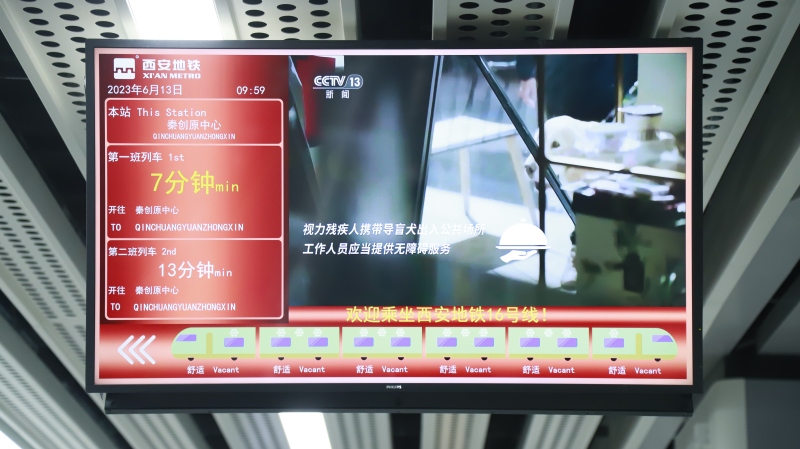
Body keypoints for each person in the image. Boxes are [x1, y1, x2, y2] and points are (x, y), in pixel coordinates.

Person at [514, 54, 638, 290]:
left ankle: (616, 248)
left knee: (622, 171)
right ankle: (581, 249)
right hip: (570, 72)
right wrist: (526, 69)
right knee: (579, 173)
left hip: (625, 68)